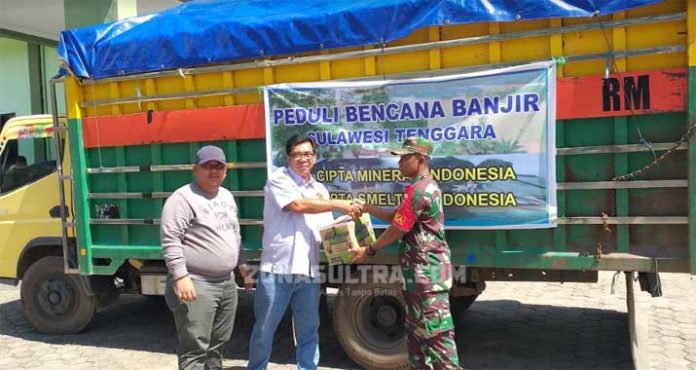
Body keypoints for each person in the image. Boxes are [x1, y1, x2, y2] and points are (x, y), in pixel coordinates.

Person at [247, 135, 360, 370]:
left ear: (315, 157)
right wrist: (341, 204)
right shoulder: (277, 180)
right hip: (277, 270)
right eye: (297, 154)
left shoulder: (320, 190)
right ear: (288, 158)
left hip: (309, 272)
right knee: (264, 329)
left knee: (309, 330)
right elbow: (297, 206)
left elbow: (327, 230)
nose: (303, 159)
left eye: (308, 154)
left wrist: (351, 225)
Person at [352, 137, 460, 370]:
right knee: (417, 335)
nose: (399, 162)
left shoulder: (421, 191)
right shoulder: (417, 188)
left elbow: (398, 228)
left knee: (437, 337)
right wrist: (368, 208)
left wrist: (369, 250)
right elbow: (398, 218)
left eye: (404, 157)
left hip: (427, 276)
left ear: (421, 160)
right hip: (418, 276)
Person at [161, 145, 253, 370]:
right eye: (208, 166)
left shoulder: (227, 196)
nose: (214, 171)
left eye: (219, 167)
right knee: (195, 346)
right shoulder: (182, 198)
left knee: (218, 342)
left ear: (226, 171)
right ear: (195, 169)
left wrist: (243, 266)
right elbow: (170, 239)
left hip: (226, 281)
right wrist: (181, 276)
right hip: (197, 282)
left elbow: (234, 234)